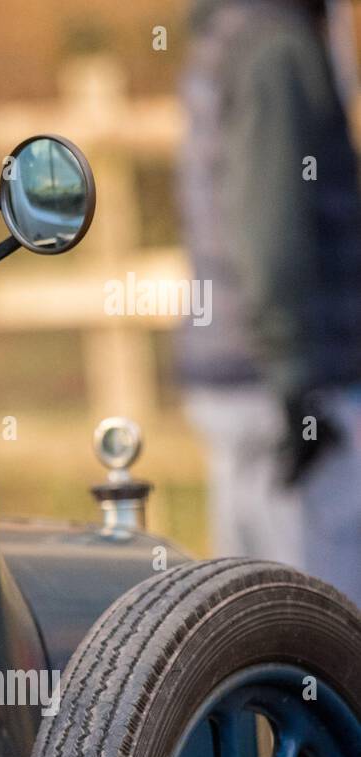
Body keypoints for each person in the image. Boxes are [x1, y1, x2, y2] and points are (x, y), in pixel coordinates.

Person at [178, 0, 361, 605]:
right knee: (325, 624)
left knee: (257, 629)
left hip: (246, 369)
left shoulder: (231, 32)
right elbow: (269, 223)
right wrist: (295, 383)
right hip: (288, 383)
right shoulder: (274, 47)